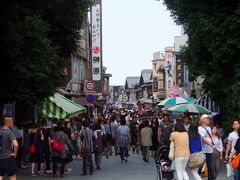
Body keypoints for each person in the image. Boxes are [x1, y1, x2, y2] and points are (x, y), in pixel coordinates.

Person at [0, 116, 19, 180]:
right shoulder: (9, 132)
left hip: (0, 158)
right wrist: (15, 153)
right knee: (12, 176)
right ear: (9, 123)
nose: (12, 124)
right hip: (8, 157)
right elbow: (16, 144)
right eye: (12, 122)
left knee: (0, 176)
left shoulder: (0, 131)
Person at [198, 114, 215, 180]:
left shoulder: (209, 128)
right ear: (202, 120)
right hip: (202, 150)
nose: (208, 119)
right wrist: (211, 145)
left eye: (208, 118)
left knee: (211, 167)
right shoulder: (200, 128)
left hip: (209, 150)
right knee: (199, 167)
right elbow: (203, 138)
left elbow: (209, 138)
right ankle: (197, 178)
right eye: (206, 118)